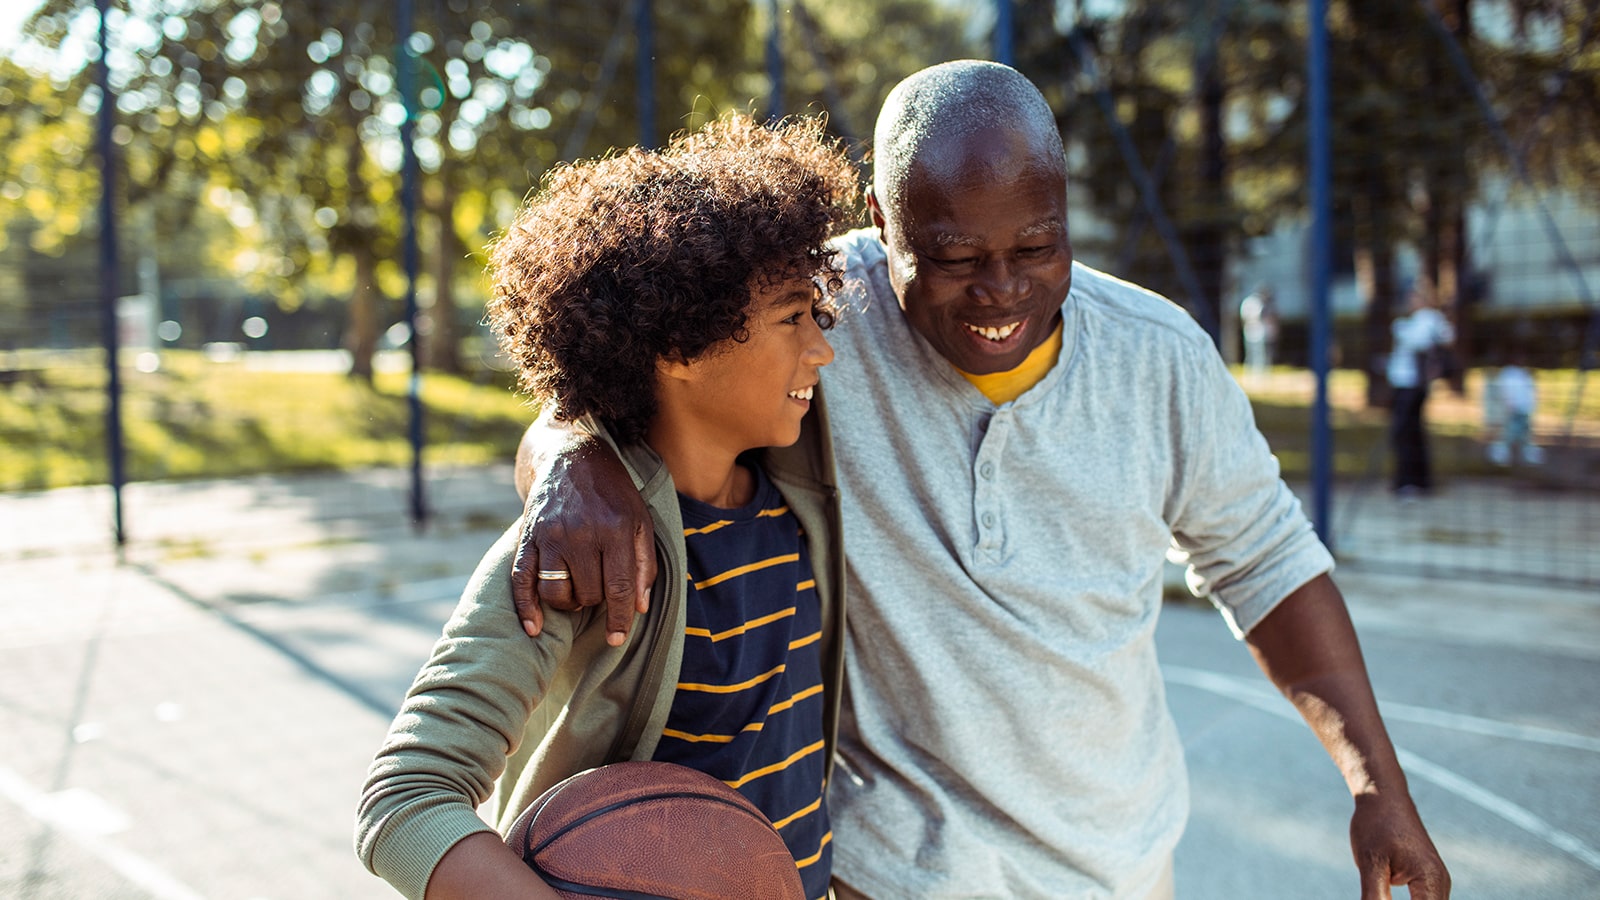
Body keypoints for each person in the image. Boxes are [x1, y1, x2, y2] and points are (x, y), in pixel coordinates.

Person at [510, 62, 1450, 899]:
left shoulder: (1160, 359)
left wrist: (1378, 788)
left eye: (1036, 247)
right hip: (894, 869)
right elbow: (622, 378)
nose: (1001, 290)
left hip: (1119, 862)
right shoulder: (817, 319)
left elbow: (1268, 563)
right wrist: (572, 458)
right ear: (883, 226)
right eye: (955, 258)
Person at [354, 113, 859, 900]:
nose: (822, 347)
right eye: (793, 318)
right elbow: (404, 801)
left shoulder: (797, 480)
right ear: (682, 349)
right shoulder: (580, 550)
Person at [1387, 284, 1457, 496]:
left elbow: (1423, 341)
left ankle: (1410, 481)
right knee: (1411, 432)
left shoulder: (1427, 318)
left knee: (1406, 433)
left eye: (1414, 298)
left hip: (1411, 384)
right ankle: (1417, 480)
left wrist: (1401, 329)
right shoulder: (1424, 320)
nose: (1411, 302)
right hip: (1406, 383)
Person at [1487, 356, 1542, 466]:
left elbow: (1529, 392)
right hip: (1514, 409)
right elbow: (1505, 391)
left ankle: (1525, 456)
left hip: (1524, 409)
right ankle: (1500, 455)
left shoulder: (1523, 374)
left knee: (1524, 435)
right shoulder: (1509, 374)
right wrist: (1509, 405)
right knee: (1509, 434)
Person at [1239, 284, 1278, 378]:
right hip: (1255, 331)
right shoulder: (1256, 303)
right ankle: (1256, 374)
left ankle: (1257, 373)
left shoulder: (1249, 302)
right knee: (1255, 354)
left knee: (1255, 353)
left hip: (1253, 331)